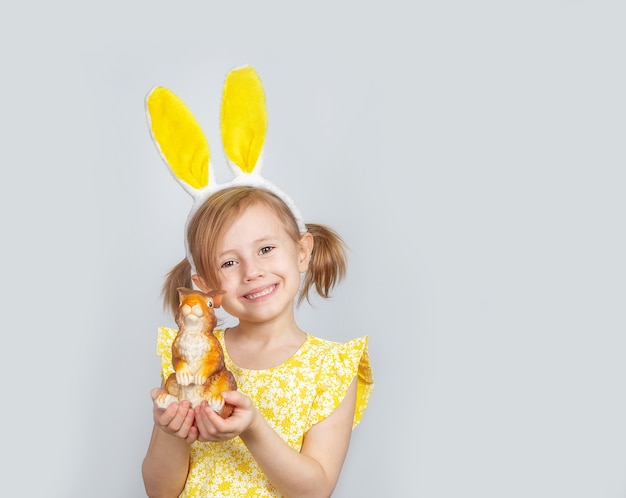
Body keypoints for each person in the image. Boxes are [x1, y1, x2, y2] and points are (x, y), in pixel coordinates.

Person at [141, 65, 373, 498]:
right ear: (206, 285)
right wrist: (170, 432)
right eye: (229, 263)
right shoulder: (193, 361)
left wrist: (253, 429)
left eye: (266, 250)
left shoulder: (331, 370)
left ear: (301, 252)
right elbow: (160, 490)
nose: (252, 272)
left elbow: (315, 489)